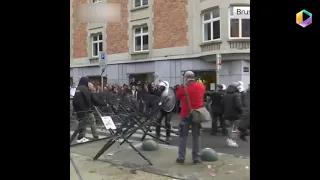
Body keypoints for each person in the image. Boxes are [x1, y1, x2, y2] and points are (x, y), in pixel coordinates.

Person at [176, 71, 205, 164]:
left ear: (185, 78)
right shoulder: (201, 86)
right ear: (194, 77)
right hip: (197, 114)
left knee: (182, 137)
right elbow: (202, 93)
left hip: (185, 114)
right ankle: (196, 157)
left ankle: (181, 158)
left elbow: (177, 97)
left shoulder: (182, 88)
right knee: (196, 136)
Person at [72, 77, 106, 143]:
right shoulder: (85, 89)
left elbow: (75, 100)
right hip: (86, 110)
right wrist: (103, 104)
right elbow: (91, 99)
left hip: (78, 110)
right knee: (90, 122)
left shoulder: (78, 88)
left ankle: (81, 137)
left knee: (82, 123)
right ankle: (85, 137)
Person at [222, 82, 243, 147]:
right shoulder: (236, 94)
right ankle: (232, 140)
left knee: (229, 127)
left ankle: (229, 139)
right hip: (235, 114)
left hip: (226, 114)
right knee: (235, 128)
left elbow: (222, 103)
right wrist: (241, 111)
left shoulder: (225, 94)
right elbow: (238, 105)